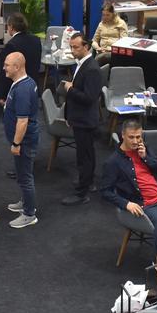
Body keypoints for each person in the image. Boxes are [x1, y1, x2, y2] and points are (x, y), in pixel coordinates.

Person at [100, 119, 157, 258]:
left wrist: (146, 157)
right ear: (123, 135)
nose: (135, 141)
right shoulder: (113, 162)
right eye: (131, 137)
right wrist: (126, 204)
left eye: (138, 137)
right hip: (145, 205)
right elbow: (105, 191)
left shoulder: (143, 149)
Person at [59, 33, 102, 204]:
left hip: (85, 120)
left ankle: (81, 193)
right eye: (71, 47)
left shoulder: (91, 68)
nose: (72, 50)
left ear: (86, 47)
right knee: (86, 154)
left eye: (76, 47)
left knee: (84, 157)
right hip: (80, 118)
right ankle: (88, 182)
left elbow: (89, 98)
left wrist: (70, 89)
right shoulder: (83, 64)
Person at [1, 51, 40, 229]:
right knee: (24, 175)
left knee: (25, 177)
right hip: (25, 140)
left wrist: (16, 144)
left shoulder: (23, 89)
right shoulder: (24, 83)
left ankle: (29, 213)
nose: (4, 68)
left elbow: (22, 121)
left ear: (17, 67)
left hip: (23, 142)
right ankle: (25, 202)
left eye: (7, 65)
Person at [0, 13, 42, 101]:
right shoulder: (36, 40)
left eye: (7, 26)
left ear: (11, 27)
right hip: (33, 87)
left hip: (17, 91)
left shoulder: (11, 46)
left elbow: (4, 73)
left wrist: (2, 96)